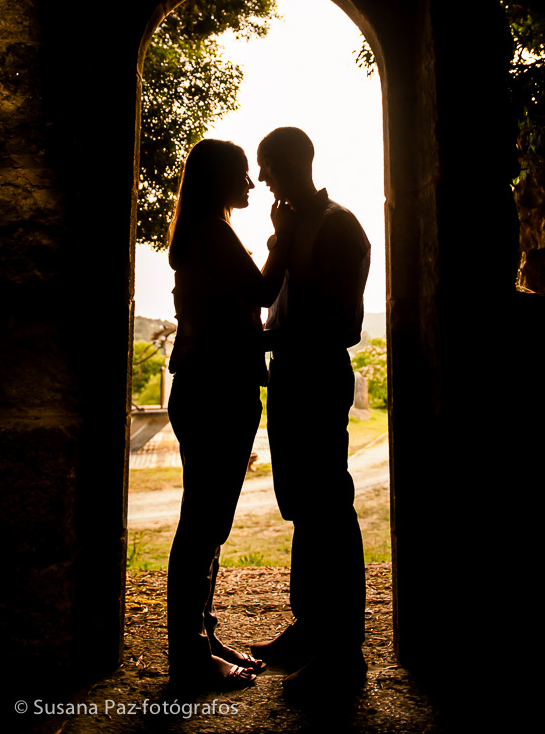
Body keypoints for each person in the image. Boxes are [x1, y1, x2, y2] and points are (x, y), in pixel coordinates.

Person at [166, 138, 294, 693]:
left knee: (208, 522)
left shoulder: (202, 232)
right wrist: (283, 238)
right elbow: (263, 291)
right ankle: (189, 653)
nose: (251, 183)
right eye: (241, 173)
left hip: (208, 386)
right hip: (216, 391)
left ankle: (202, 635)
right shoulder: (212, 234)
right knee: (202, 524)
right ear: (218, 180)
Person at [250, 127, 371, 695]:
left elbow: (343, 323)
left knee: (329, 506)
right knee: (303, 505)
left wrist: (266, 343)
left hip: (318, 380)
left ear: (283, 163)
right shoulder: (294, 226)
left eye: (265, 166)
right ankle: (311, 625)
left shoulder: (339, 226)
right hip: (292, 382)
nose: (261, 179)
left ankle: (344, 650)